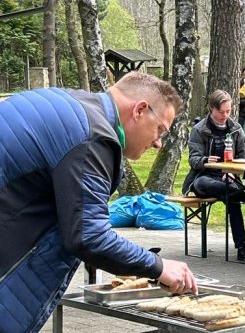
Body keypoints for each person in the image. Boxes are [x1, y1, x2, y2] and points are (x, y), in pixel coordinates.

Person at [0, 72, 198, 332]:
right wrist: (159, 266)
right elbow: (88, 236)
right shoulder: (94, 137)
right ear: (140, 110)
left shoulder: (74, 106)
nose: (159, 143)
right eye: (160, 129)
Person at [182, 90, 245, 263]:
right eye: (221, 112)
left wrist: (232, 172)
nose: (225, 115)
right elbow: (193, 160)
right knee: (211, 185)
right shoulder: (199, 129)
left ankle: (243, 249)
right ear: (211, 109)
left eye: (228, 111)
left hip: (228, 178)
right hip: (203, 177)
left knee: (231, 198)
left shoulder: (236, 129)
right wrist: (204, 160)